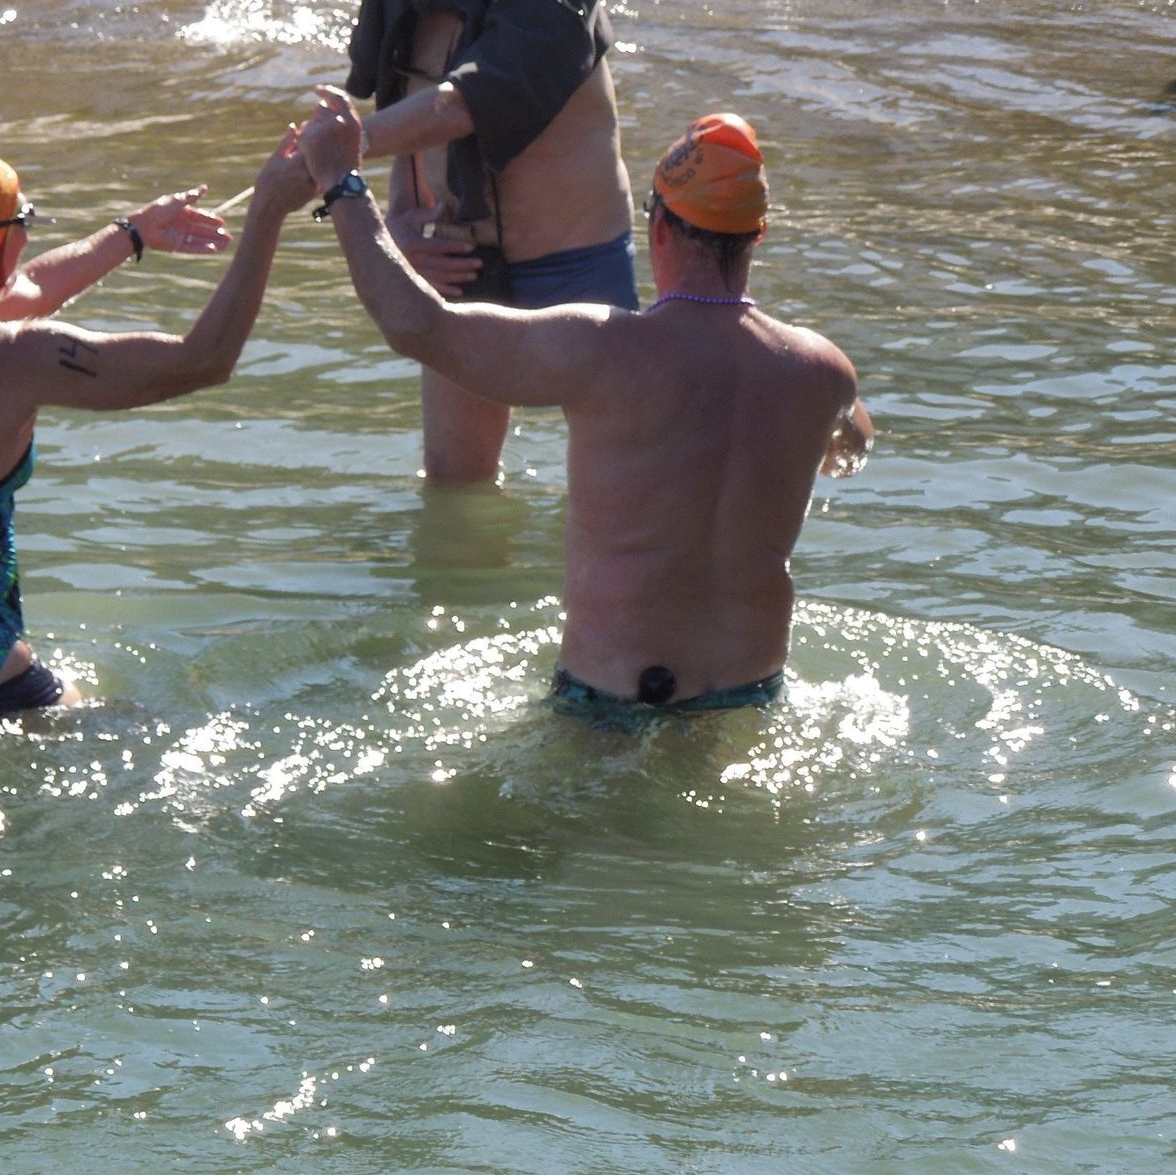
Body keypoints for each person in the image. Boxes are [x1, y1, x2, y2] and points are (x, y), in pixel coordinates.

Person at [299, 94, 874, 725]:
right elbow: (850, 455)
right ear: (757, 234)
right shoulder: (822, 373)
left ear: (659, 228)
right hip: (750, 695)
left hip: (610, 702)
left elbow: (416, 325)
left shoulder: (602, 348)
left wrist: (342, 182)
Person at [0, 134, 314, 718]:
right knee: (155, 733)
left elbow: (26, 289)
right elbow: (204, 360)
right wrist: (268, 213)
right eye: (24, 220)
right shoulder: (12, 358)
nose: (28, 237)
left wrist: (133, 231)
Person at [341, 0, 637, 484]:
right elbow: (414, 125)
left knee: (620, 491)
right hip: (462, 268)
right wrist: (399, 223)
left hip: (575, 269)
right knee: (454, 487)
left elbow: (460, 106)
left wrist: (342, 150)